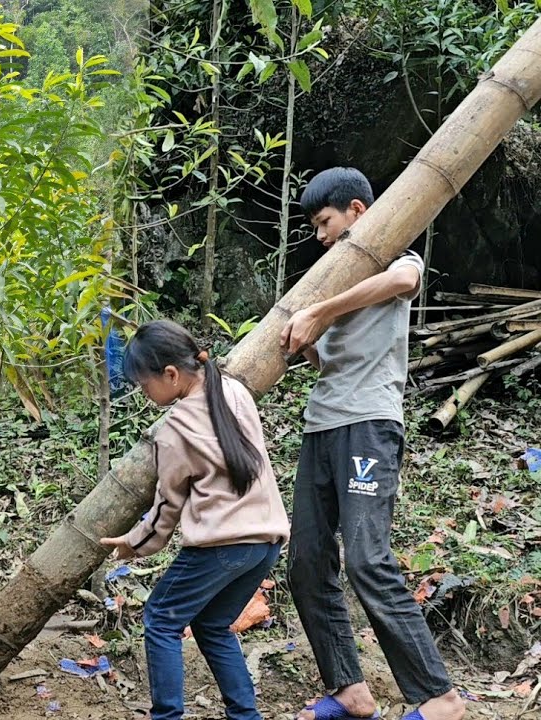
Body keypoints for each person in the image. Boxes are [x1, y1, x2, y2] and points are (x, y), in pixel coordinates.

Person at [280, 168, 463, 720]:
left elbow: (404, 283)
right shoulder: (332, 279)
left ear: (358, 212)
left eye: (324, 222)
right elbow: (325, 354)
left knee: (366, 558)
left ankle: (440, 698)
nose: (319, 235)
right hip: (321, 425)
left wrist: (318, 311)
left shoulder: (395, 258)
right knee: (306, 562)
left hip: (369, 423)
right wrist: (306, 338)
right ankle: (349, 691)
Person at [102, 320, 290, 720]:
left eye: (144, 383)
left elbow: (167, 508)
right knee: (212, 624)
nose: (143, 392)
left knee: (160, 619)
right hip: (266, 543)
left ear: (170, 374)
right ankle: (245, 715)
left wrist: (132, 544)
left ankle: (166, 716)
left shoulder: (175, 428)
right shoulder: (234, 391)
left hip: (223, 545)